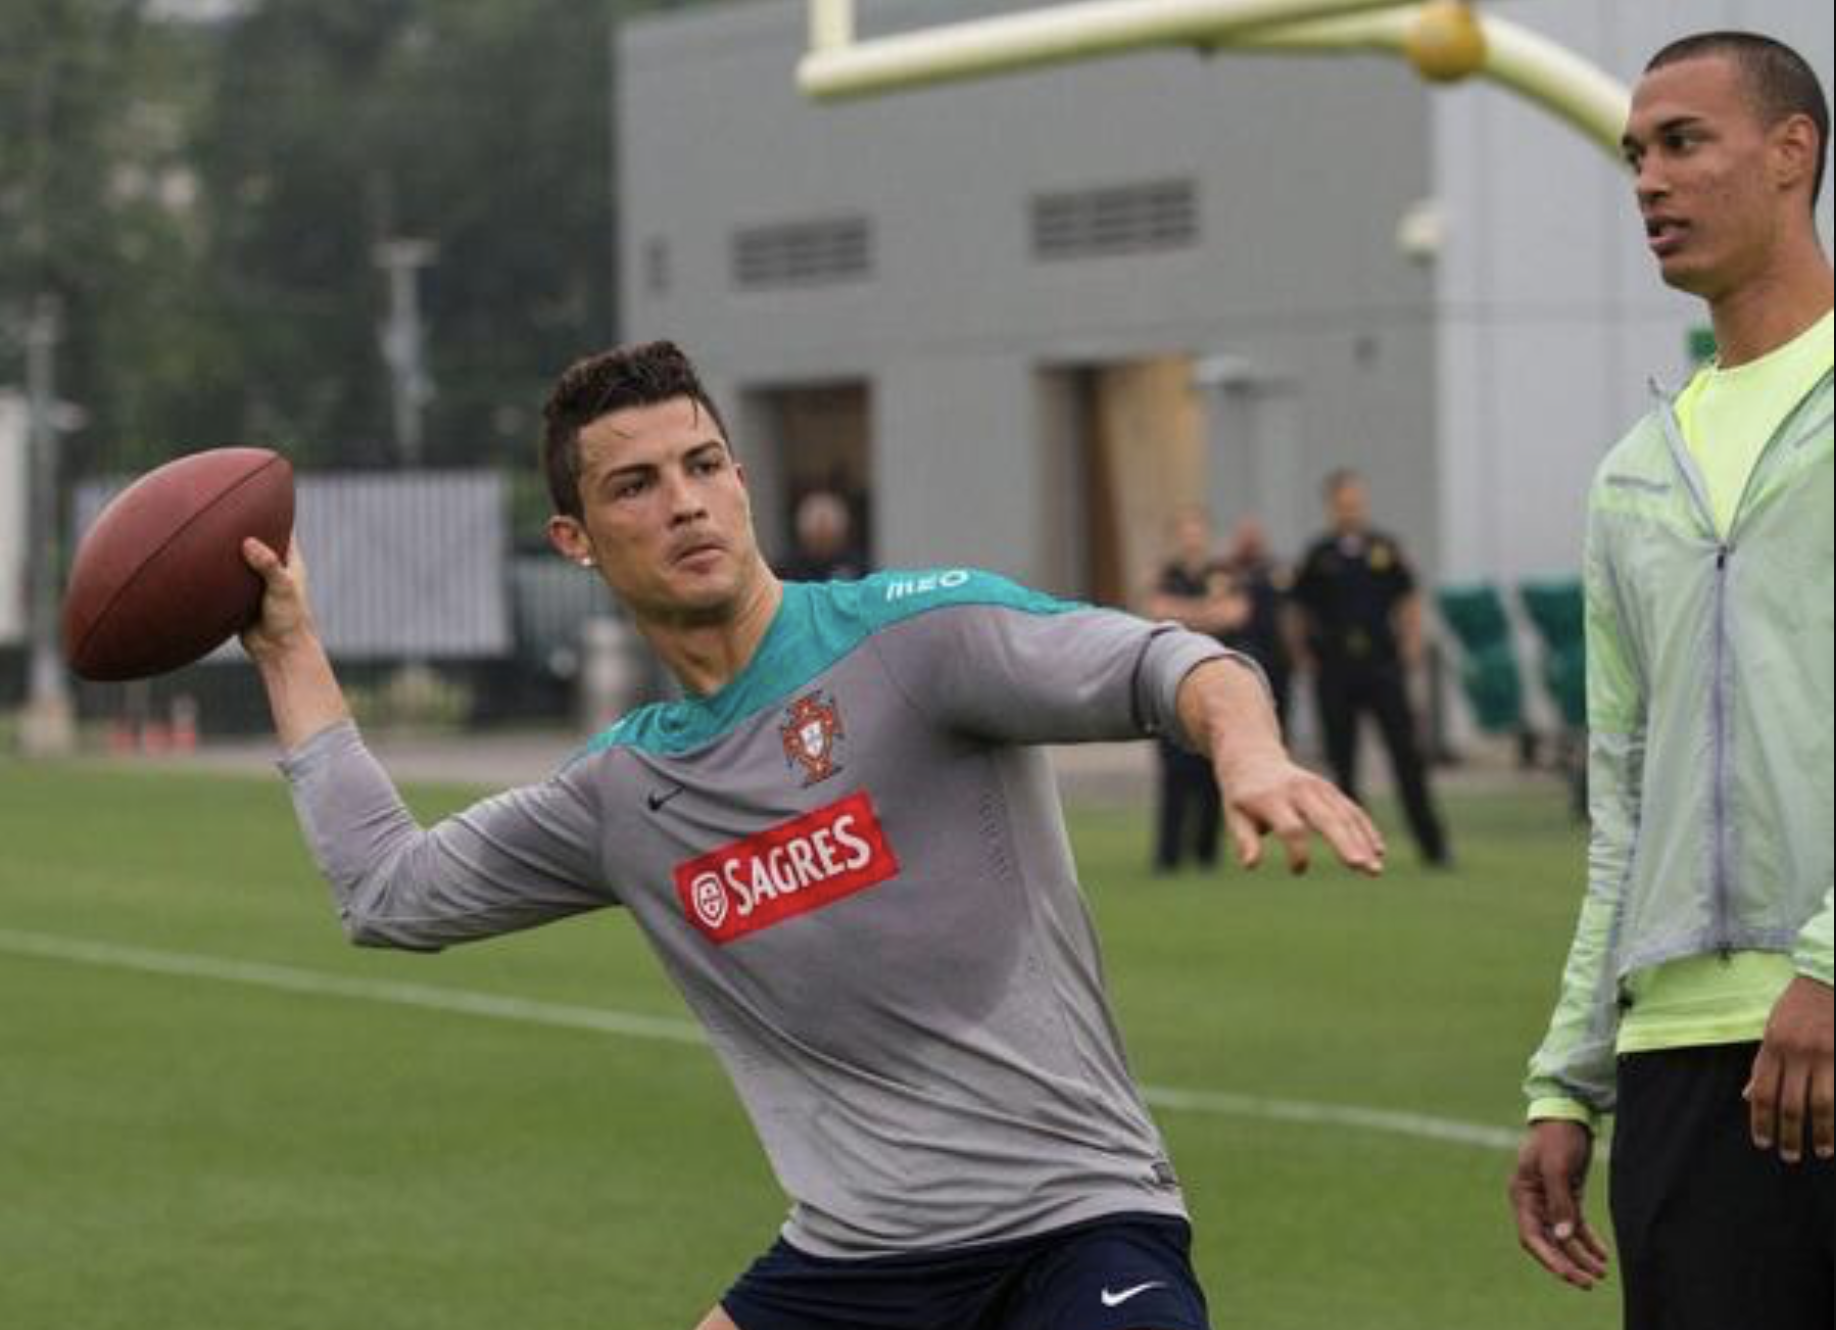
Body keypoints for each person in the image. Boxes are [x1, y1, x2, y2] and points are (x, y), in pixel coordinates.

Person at [238, 340, 1385, 1330]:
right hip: (852, 1267)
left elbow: (1168, 660)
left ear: (742, 482)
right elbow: (386, 890)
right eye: (635, 485)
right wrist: (288, 648)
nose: (684, 502)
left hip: (1072, 1223)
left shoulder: (917, 640)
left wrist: (1248, 751)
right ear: (575, 538)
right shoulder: (619, 793)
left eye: (702, 466)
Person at [1509, 32, 1833, 1330]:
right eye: (1635, 153)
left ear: (1793, 152)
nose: (1648, 178)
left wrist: (1829, 966)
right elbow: (1625, 803)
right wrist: (1567, 1076)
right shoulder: (1632, 474)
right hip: (1677, 1065)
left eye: (1684, 142)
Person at [1290, 469, 1450, 867]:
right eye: (1343, 504)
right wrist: (1302, 655)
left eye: (1356, 503)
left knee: (1406, 755)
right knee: (1342, 761)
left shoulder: (1385, 548)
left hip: (1382, 666)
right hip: (1335, 669)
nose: (1350, 510)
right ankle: (1358, 847)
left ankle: (1433, 845)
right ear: (1331, 506)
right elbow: (1297, 609)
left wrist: (1411, 644)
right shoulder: (1318, 555)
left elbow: (1408, 599)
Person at [1142, 506, 1249, 873]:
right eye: (1185, 531)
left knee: (1212, 769)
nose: (1192, 538)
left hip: (1217, 683)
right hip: (1170, 683)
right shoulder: (1167, 575)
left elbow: (1235, 614)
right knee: (1174, 770)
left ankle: (1206, 854)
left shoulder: (1224, 573)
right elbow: (1158, 611)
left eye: (1197, 530)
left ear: (1206, 535)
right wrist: (1207, 610)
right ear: (1177, 537)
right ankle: (1168, 856)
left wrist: (1187, 614)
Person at [1218, 516, 1294, 729]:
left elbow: (1291, 611)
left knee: (1278, 718)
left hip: (1276, 657)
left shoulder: (1277, 570)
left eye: (1254, 535)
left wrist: (1296, 650)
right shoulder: (1224, 572)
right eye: (1245, 536)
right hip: (1239, 657)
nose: (1250, 541)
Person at [775, 487, 868, 582]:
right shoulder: (788, 569)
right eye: (816, 539)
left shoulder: (856, 566)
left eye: (828, 538)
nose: (822, 543)